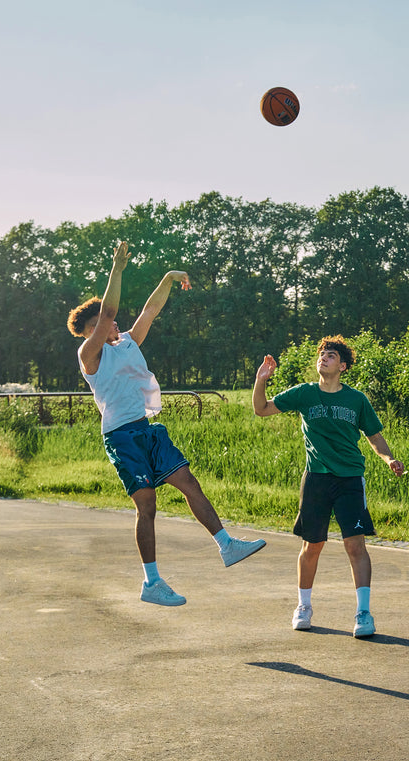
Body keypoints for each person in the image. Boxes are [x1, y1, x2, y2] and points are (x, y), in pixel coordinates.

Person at [67, 241, 265, 607]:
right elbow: (111, 306)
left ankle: (227, 545)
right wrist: (118, 269)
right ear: (87, 332)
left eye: (109, 321)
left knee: (189, 482)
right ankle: (152, 582)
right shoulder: (89, 354)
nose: (109, 323)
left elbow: (150, 310)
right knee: (148, 506)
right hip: (121, 436)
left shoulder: (128, 342)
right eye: (99, 324)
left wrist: (170, 277)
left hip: (147, 430)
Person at [252, 336, 405, 638]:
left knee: (355, 545)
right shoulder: (304, 394)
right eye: (322, 354)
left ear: (343, 366)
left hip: (349, 479)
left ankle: (363, 613)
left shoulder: (357, 400)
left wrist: (388, 458)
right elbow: (261, 409)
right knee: (312, 545)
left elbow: (374, 437)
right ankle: (303, 607)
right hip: (317, 479)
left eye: (331, 355)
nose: (324, 358)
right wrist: (261, 381)